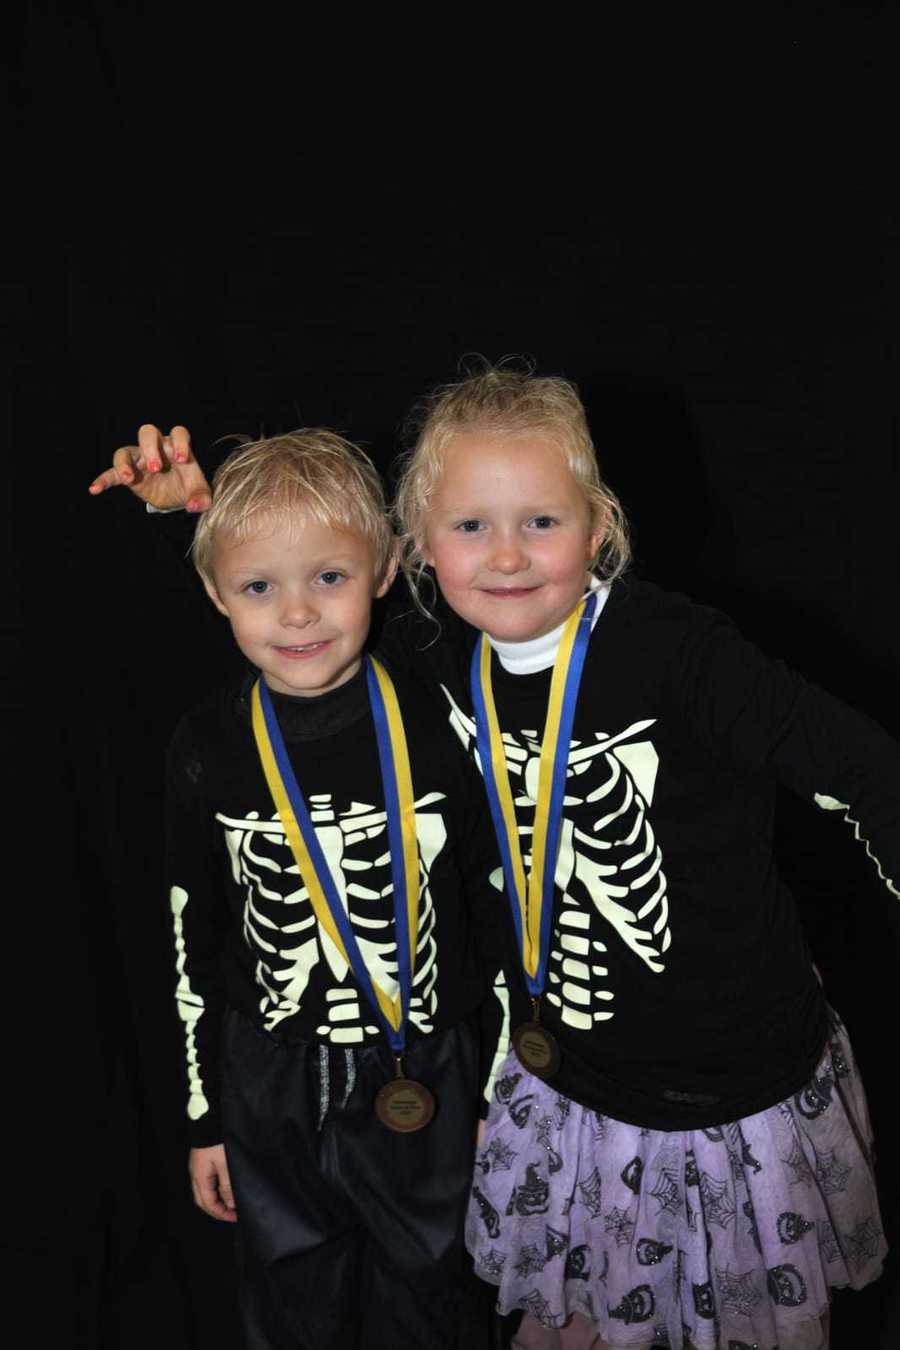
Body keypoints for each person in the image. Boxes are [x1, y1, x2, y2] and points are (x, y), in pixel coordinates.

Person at [91, 366, 898, 1350]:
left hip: (731, 1090)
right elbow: (300, 587)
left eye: (542, 523)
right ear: (418, 548)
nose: (507, 556)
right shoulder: (437, 657)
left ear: (598, 527)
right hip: (570, 1096)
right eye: (470, 525)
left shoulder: (681, 653)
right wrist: (196, 507)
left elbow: (864, 769)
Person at [143, 430, 504, 1350]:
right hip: (268, 1074)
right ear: (216, 594)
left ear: (384, 572)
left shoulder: (440, 713)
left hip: (426, 1061)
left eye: (330, 577)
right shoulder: (206, 745)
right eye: (259, 587)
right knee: (287, 1301)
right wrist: (206, 1119)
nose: (298, 612)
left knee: (432, 1298)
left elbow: (496, 908)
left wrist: (497, 1096)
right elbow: (192, 940)